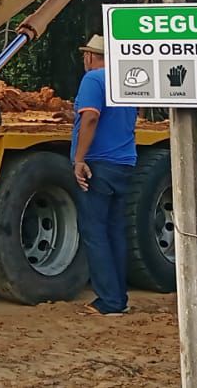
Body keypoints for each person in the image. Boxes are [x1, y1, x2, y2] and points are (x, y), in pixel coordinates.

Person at [70, 33, 138, 316]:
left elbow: (91, 117)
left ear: (89, 56)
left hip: (98, 163)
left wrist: (79, 159)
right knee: (114, 232)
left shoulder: (93, 80)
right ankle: (118, 298)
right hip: (124, 162)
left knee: (95, 232)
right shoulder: (125, 80)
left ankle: (109, 301)